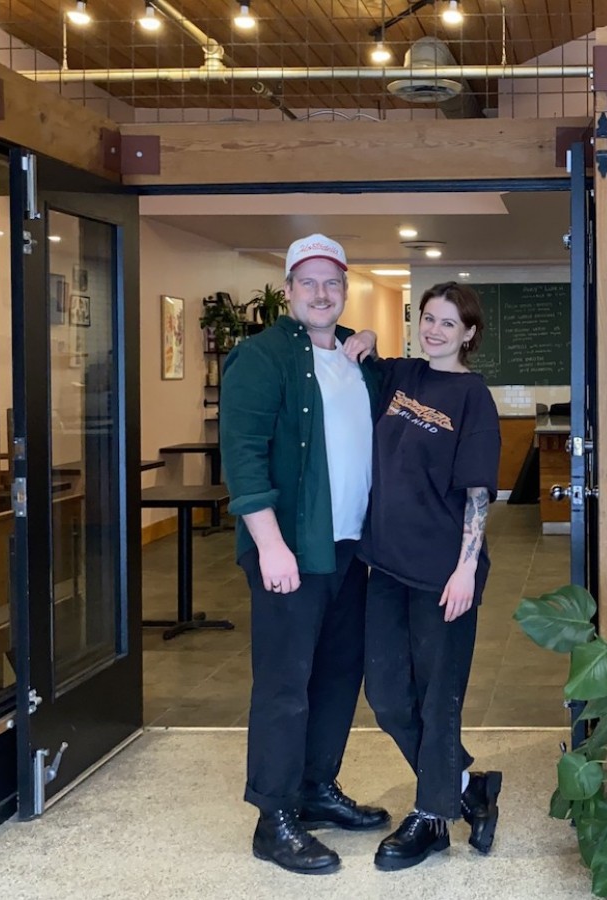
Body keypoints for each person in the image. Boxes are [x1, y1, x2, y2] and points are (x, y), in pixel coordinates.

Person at [220, 233, 390, 876]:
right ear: (287, 290)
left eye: (333, 283)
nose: (322, 294)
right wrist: (270, 546)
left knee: (339, 676)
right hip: (291, 550)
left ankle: (317, 789)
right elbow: (242, 459)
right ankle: (275, 816)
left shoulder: (354, 360)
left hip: (350, 550)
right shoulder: (261, 358)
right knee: (286, 685)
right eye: (308, 282)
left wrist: (367, 348)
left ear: (344, 290)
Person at [350, 281, 503, 871]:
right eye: (427, 318)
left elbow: (477, 495)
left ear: (468, 334)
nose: (434, 330)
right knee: (388, 694)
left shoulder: (473, 398)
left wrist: (467, 568)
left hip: (444, 573)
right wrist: (359, 334)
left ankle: (431, 817)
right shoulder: (400, 377)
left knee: (438, 698)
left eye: (448, 323)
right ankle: (467, 785)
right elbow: (355, 350)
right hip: (386, 564)